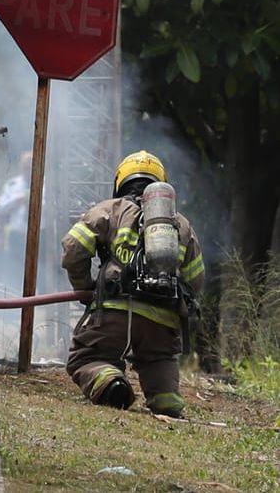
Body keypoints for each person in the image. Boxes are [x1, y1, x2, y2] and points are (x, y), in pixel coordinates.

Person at [61, 150, 205, 417]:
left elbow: (73, 248)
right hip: (162, 321)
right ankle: (167, 402)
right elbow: (195, 279)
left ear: (120, 182)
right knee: (158, 359)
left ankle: (112, 384)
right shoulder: (181, 225)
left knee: (87, 358)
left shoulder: (110, 210)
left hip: (115, 312)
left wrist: (85, 286)